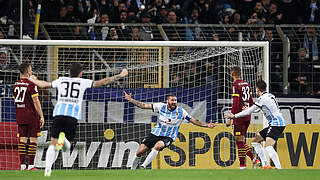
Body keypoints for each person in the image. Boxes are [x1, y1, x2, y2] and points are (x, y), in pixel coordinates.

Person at [28, 63, 128, 176]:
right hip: (72, 116)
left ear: (69, 72)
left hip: (59, 113)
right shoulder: (82, 82)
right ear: (80, 74)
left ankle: (47, 170)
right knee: (68, 146)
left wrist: (34, 80)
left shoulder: (61, 80)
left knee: (52, 143)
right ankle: (64, 141)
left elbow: (45, 85)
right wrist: (119, 75)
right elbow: (103, 82)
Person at [123, 91, 216, 169]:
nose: (174, 102)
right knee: (140, 151)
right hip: (155, 133)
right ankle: (133, 169)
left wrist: (207, 125)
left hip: (169, 136)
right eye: (172, 100)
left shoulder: (181, 111)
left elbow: (194, 121)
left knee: (158, 145)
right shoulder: (160, 106)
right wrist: (131, 100)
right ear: (167, 101)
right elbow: (143, 105)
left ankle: (143, 166)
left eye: (175, 100)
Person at [225, 80, 286, 169]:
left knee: (268, 146)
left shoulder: (262, 99)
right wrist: (249, 108)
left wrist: (234, 116)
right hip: (276, 123)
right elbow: (258, 109)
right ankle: (265, 165)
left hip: (276, 124)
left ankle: (279, 168)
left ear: (257, 89)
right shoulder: (270, 96)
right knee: (255, 141)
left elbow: (250, 111)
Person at [226, 67, 260, 169]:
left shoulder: (235, 85)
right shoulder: (246, 84)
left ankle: (244, 164)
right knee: (240, 140)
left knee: (239, 141)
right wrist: (248, 110)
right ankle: (252, 159)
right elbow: (250, 99)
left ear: (232, 74)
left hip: (239, 116)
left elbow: (236, 102)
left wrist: (231, 117)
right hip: (247, 115)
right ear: (240, 74)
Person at [13, 62, 45, 170]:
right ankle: (31, 165)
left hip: (20, 115)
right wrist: (41, 116)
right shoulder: (31, 84)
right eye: (30, 69)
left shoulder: (16, 84)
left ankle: (22, 166)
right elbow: (36, 101)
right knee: (33, 140)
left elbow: (15, 100)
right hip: (31, 115)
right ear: (27, 71)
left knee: (22, 140)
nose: (31, 71)